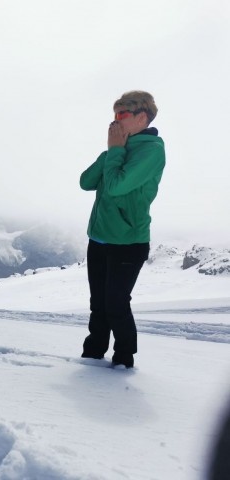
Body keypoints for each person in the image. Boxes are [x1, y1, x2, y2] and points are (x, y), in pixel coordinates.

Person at [79, 91, 166, 368]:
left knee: (116, 302)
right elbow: (86, 182)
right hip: (100, 238)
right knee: (99, 303)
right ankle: (92, 355)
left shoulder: (152, 151)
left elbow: (116, 186)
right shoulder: (119, 147)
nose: (115, 121)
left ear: (142, 117)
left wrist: (116, 150)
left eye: (121, 115)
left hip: (128, 241)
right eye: (114, 114)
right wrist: (111, 150)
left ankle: (124, 360)